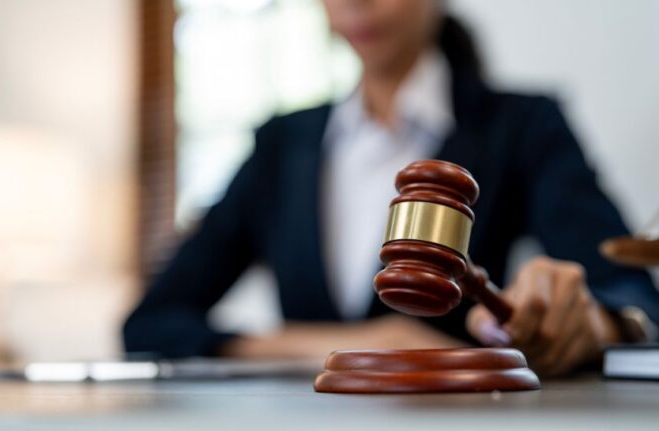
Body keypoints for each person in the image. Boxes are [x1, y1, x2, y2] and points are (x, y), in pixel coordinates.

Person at [124, 0, 659, 376]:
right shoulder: (281, 145)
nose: (356, 1)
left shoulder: (521, 126)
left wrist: (588, 322)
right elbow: (150, 325)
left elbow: (633, 299)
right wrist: (348, 347)